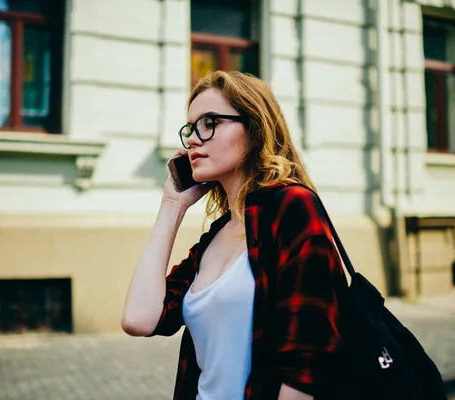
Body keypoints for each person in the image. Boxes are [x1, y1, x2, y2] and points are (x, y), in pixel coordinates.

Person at [121, 71, 348, 400]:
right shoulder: (217, 235)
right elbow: (139, 320)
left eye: (209, 122)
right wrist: (172, 206)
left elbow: (305, 365)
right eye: (190, 128)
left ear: (254, 129)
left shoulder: (291, 208)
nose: (193, 140)